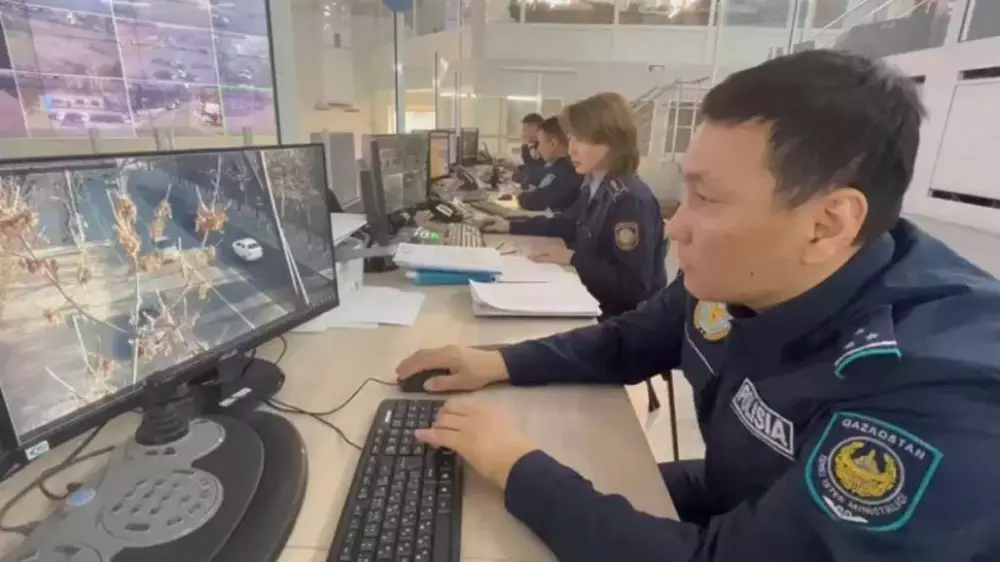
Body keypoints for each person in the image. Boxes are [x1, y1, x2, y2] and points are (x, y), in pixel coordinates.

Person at [395, 50, 1000, 561]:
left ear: (826, 224)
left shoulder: (938, 393)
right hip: (735, 497)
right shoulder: (748, 273)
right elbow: (627, 340)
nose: (675, 226)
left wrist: (519, 467)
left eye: (707, 199)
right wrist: (497, 362)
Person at [484, 93, 667, 320]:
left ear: (612, 142)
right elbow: (568, 224)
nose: (571, 150)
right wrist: (511, 226)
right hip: (589, 296)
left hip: (617, 320)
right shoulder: (595, 183)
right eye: (571, 139)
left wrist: (573, 258)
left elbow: (633, 287)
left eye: (581, 140)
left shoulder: (629, 200)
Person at [513, 116, 584, 212]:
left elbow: (537, 200)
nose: (539, 148)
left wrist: (521, 196)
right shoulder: (559, 166)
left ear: (553, 143)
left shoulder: (567, 170)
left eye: (540, 143)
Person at [513, 113, 546, 187]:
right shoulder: (533, 146)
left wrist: (525, 146)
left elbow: (533, 170)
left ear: (535, 129)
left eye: (525, 129)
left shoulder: (544, 146)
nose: (523, 133)